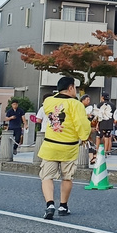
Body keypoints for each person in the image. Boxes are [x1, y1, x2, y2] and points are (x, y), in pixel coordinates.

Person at [37, 76, 92, 219]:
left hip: (50, 144)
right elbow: (81, 123)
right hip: (68, 146)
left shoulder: (48, 101)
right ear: (70, 88)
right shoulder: (76, 105)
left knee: (47, 176)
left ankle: (49, 204)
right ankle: (63, 205)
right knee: (67, 177)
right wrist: (85, 136)